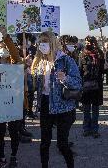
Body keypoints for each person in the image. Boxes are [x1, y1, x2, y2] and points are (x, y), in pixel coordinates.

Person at [31, 31, 82, 168]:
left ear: (52, 43)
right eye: (40, 42)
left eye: (45, 42)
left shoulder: (66, 60)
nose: (42, 45)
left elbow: (78, 83)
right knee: (44, 143)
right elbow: (35, 86)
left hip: (64, 106)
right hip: (46, 104)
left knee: (62, 144)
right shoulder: (39, 62)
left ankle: (70, 165)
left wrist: (65, 78)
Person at [0, 28, 23, 168]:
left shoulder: (15, 63)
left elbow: (15, 53)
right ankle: (2, 157)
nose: (3, 49)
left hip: (13, 103)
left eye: (5, 47)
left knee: (13, 132)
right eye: (0, 47)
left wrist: (6, 36)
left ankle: (13, 155)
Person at [79, 36, 104, 138]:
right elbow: (80, 70)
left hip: (97, 86)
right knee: (86, 109)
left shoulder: (99, 54)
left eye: (90, 42)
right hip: (86, 85)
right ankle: (86, 129)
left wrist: (103, 61)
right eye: (86, 42)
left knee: (95, 110)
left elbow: (103, 70)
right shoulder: (82, 55)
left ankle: (95, 129)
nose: (88, 44)